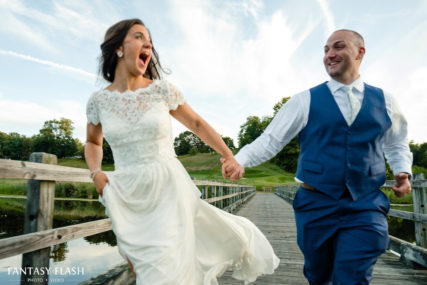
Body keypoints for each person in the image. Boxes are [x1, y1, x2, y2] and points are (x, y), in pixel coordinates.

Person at [85, 18, 279, 285]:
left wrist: (228, 155)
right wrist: (95, 172)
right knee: (143, 268)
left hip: (167, 187)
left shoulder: (162, 90)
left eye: (150, 41)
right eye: (139, 37)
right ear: (118, 47)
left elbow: (197, 124)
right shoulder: (98, 101)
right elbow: (93, 143)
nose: (148, 44)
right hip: (126, 194)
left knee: (164, 272)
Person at [222, 29, 412, 284]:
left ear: (360, 52)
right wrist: (240, 160)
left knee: (352, 275)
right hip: (316, 205)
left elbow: (397, 142)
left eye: (338, 47)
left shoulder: (386, 101)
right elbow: (270, 140)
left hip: (365, 205)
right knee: (318, 274)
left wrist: (403, 171)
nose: (330, 55)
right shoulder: (304, 101)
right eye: (326, 50)